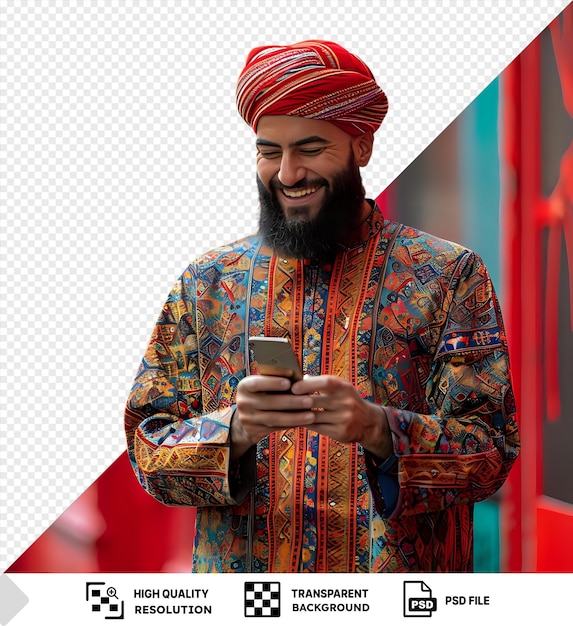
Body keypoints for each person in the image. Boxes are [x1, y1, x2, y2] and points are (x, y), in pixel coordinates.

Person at [124, 40, 520, 573]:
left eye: (310, 149)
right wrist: (234, 430)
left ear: (362, 147)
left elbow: (492, 453)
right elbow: (148, 449)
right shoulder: (208, 282)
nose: (288, 173)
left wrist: (379, 429)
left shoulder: (449, 276)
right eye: (269, 152)